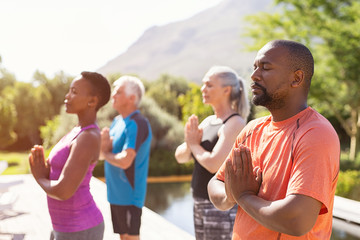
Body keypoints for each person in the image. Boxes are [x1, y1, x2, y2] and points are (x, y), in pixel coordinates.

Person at [208, 40, 340, 239]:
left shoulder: (315, 133)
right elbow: (215, 184)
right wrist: (231, 194)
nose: (254, 76)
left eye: (265, 68)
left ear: (296, 78)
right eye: (254, 68)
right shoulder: (252, 130)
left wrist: (243, 196)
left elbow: (297, 220)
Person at [28, 71, 111, 240]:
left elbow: (64, 191)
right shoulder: (77, 131)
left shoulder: (88, 137)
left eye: (74, 92)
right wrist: (45, 172)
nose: (67, 96)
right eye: (69, 90)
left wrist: (39, 177)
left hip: (79, 228)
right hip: (64, 226)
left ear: (92, 101)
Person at [175, 66, 250, 240]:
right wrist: (190, 143)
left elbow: (214, 164)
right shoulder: (209, 121)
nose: (203, 89)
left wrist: (193, 145)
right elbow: (180, 156)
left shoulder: (235, 123)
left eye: (209, 85)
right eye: (203, 85)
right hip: (200, 202)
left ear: (226, 90)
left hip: (219, 207)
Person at [100, 75, 152, 240]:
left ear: (132, 98)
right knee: (123, 237)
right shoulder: (117, 121)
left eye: (118, 92)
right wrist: (104, 147)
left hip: (130, 196)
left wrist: (106, 153)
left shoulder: (137, 123)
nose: (113, 95)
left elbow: (125, 161)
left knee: (130, 237)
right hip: (115, 195)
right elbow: (102, 154)